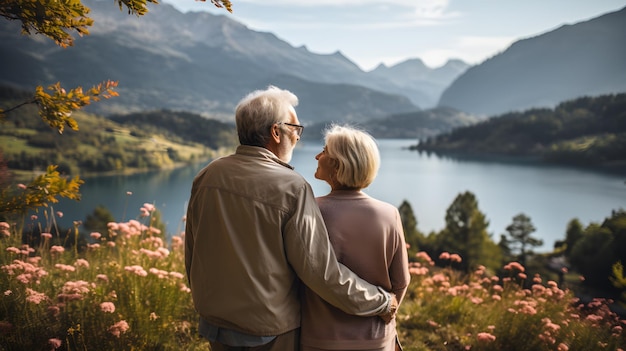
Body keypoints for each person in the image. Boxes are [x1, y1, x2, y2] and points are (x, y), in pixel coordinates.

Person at [184, 86, 397, 351]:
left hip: (215, 325)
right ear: (276, 132)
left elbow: (192, 252)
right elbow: (320, 272)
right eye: (295, 128)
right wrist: (381, 301)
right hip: (269, 332)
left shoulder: (207, 175)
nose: (297, 137)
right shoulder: (291, 187)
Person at [301, 125, 411, 351]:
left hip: (320, 339)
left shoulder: (311, 210)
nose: (317, 156)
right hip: (377, 340)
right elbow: (401, 281)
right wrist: (386, 316)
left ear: (338, 163)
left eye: (324, 151)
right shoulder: (389, 214)